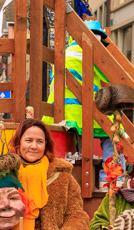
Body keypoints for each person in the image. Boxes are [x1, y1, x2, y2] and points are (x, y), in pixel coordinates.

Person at [42, 21, 112, 182]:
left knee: (78, 148)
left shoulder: (69, 51)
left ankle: (76, 179)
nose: (99, 42)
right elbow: (109, 75)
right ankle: (108, 179)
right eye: (98, 38)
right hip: (80, 108)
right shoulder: (89, 52)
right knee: (115, 131)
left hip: (62, 108)